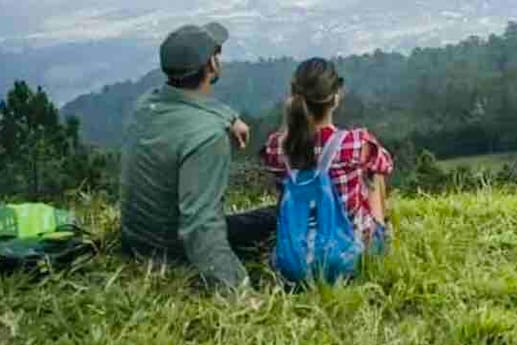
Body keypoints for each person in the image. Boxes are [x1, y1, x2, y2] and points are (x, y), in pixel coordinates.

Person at [119, 22, 276, 290]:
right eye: (217, 52)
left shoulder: (146, 104)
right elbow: (200, 225)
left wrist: (229, 117)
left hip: (137, 237)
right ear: (211, 65)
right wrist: (239, 291)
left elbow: (190, 105)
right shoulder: (207, 138)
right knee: (281, 216)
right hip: (171, 249)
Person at [260, 58, 393, 254]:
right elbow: (386, 165)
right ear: (336, 97)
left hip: (299, 251)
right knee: (373, 170)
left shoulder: (276, 146)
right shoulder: (357, 142)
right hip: (352, 249)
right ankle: (380, 237)